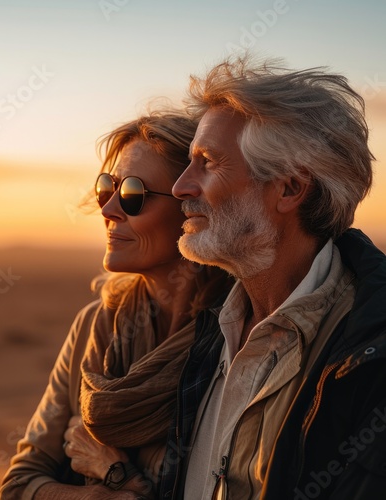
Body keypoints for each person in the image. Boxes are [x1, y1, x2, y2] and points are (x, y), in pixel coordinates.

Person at [164, 56, 386, 499]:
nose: (181, 187)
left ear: (289, 188)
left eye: (207, 163)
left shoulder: (370, 358)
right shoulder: (203, 323)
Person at [0, 109, 233, 499]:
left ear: (192, 203)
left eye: (133, 195)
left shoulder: (238, 334)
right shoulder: (96, 325)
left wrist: (115, 473)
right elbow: (20, 483)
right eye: (107, 188)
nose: (108, 211)